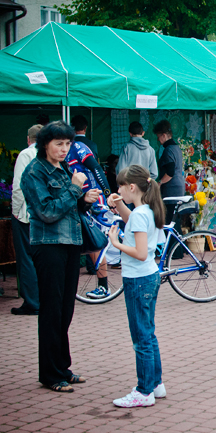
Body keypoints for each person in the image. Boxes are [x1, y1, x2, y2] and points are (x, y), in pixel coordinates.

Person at [21, 121, 101, 392]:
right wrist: (75, 190)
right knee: (52, 310)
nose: (65, 149)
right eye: (59, 144)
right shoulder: (35, 172)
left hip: (71, 243)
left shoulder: (64, 168)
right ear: (45, 144)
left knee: (66, 309)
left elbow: (68, 206)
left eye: (68, 144)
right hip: (49, 244)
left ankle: (63, 368)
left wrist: (84, 199)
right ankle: (51, 374)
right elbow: (46, 211)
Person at [107, 165, 166, 408]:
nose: (118, 190)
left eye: (120, 186)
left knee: (141, 337)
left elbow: (140, 253)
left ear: (131, 187)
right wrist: (119, 204)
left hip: (138, 279)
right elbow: (130, 220)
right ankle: (155, 384)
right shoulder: (145, 210)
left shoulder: (141, 214)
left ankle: (144, 391)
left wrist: (116, 243)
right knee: (148, 333)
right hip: (148, 277)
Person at [66, 133, 113, 299]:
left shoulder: (78, 147)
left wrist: (107, 193)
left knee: (94, 243)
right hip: (79, 201)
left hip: (93, 200)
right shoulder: (61, 154)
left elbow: (96, 168)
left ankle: (103, 286)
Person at [10, 124, 43, 315]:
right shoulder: (51, 154)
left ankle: (32, 302)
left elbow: (18, 187)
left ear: (28, 139)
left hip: (27, 214)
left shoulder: (26, 154)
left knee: (26, 258)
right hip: (46, 214)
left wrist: (16, 212)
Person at [153, 120, 184, 224]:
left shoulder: (168, 150)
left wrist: (160, 182)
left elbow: (170, 172)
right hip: (179, 187)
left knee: (169, 221)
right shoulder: (176, 148)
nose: (158, 139)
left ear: (164, 135)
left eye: (158, 136)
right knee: (175, 221)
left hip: (172, 189)